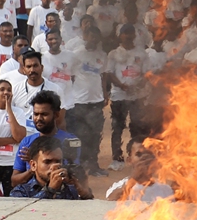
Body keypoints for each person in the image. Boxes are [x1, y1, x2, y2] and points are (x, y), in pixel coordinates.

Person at [10, 90, 82, 187]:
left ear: (56, 115)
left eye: (44, 114)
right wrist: (34, 166)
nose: (38, 118)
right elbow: (14, 181)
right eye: (36, 114)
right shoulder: (27, 142)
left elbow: (78, 178)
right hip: (32, 198)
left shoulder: (71, 142)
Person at [67, 25, 107, 177]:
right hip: (80, 101)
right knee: (80, 135)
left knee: (95, 134)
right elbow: (70, 76)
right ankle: (80, 166)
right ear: (86, 36)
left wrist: (104, 94)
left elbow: (103, 76)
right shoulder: (76, 55)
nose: (94, 39)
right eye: (91, 36)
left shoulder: (102, 55)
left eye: (97, 37)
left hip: (96, 100)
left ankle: (94, 165)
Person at [106, 24, 147, 170]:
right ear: (120, 35)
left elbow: (146, 74)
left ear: (135, 36)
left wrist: (137, 86)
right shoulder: (113, 54)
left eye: (131, 33)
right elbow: (109, 73)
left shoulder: (142, 53)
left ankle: (136, 157)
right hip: (119, 96)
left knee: (136, 127)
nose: (128, 36)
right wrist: (121, 85)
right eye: (125, 33)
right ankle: (117, 159)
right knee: (117, 128)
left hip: (137, 96)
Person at [10, 134, 93, 199]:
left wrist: (83, 192)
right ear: (33, 165)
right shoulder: (21, 192)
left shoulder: (70, 189)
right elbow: (30, 213)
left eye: (58, 161)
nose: (54, 166)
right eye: (47, 162)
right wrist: (50, 190)